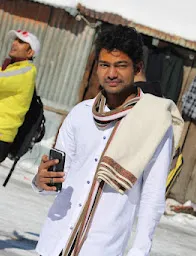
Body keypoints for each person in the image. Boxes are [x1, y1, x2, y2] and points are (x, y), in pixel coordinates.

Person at [33, 24, 183, 256]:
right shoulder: (80, 114)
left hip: (101, 247)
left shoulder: (153, 122)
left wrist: (139, 250)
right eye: (104, 65)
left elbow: (153, 194)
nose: (111, 73)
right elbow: (58, 182)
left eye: (120, 65)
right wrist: (41, 182)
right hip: (55, 241)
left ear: (138, 68)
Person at [0, 29, 40, 162]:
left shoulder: (26, 71)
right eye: (15, 40)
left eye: (21, 42)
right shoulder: (12, 67)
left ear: (30, 52)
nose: (14, 43)